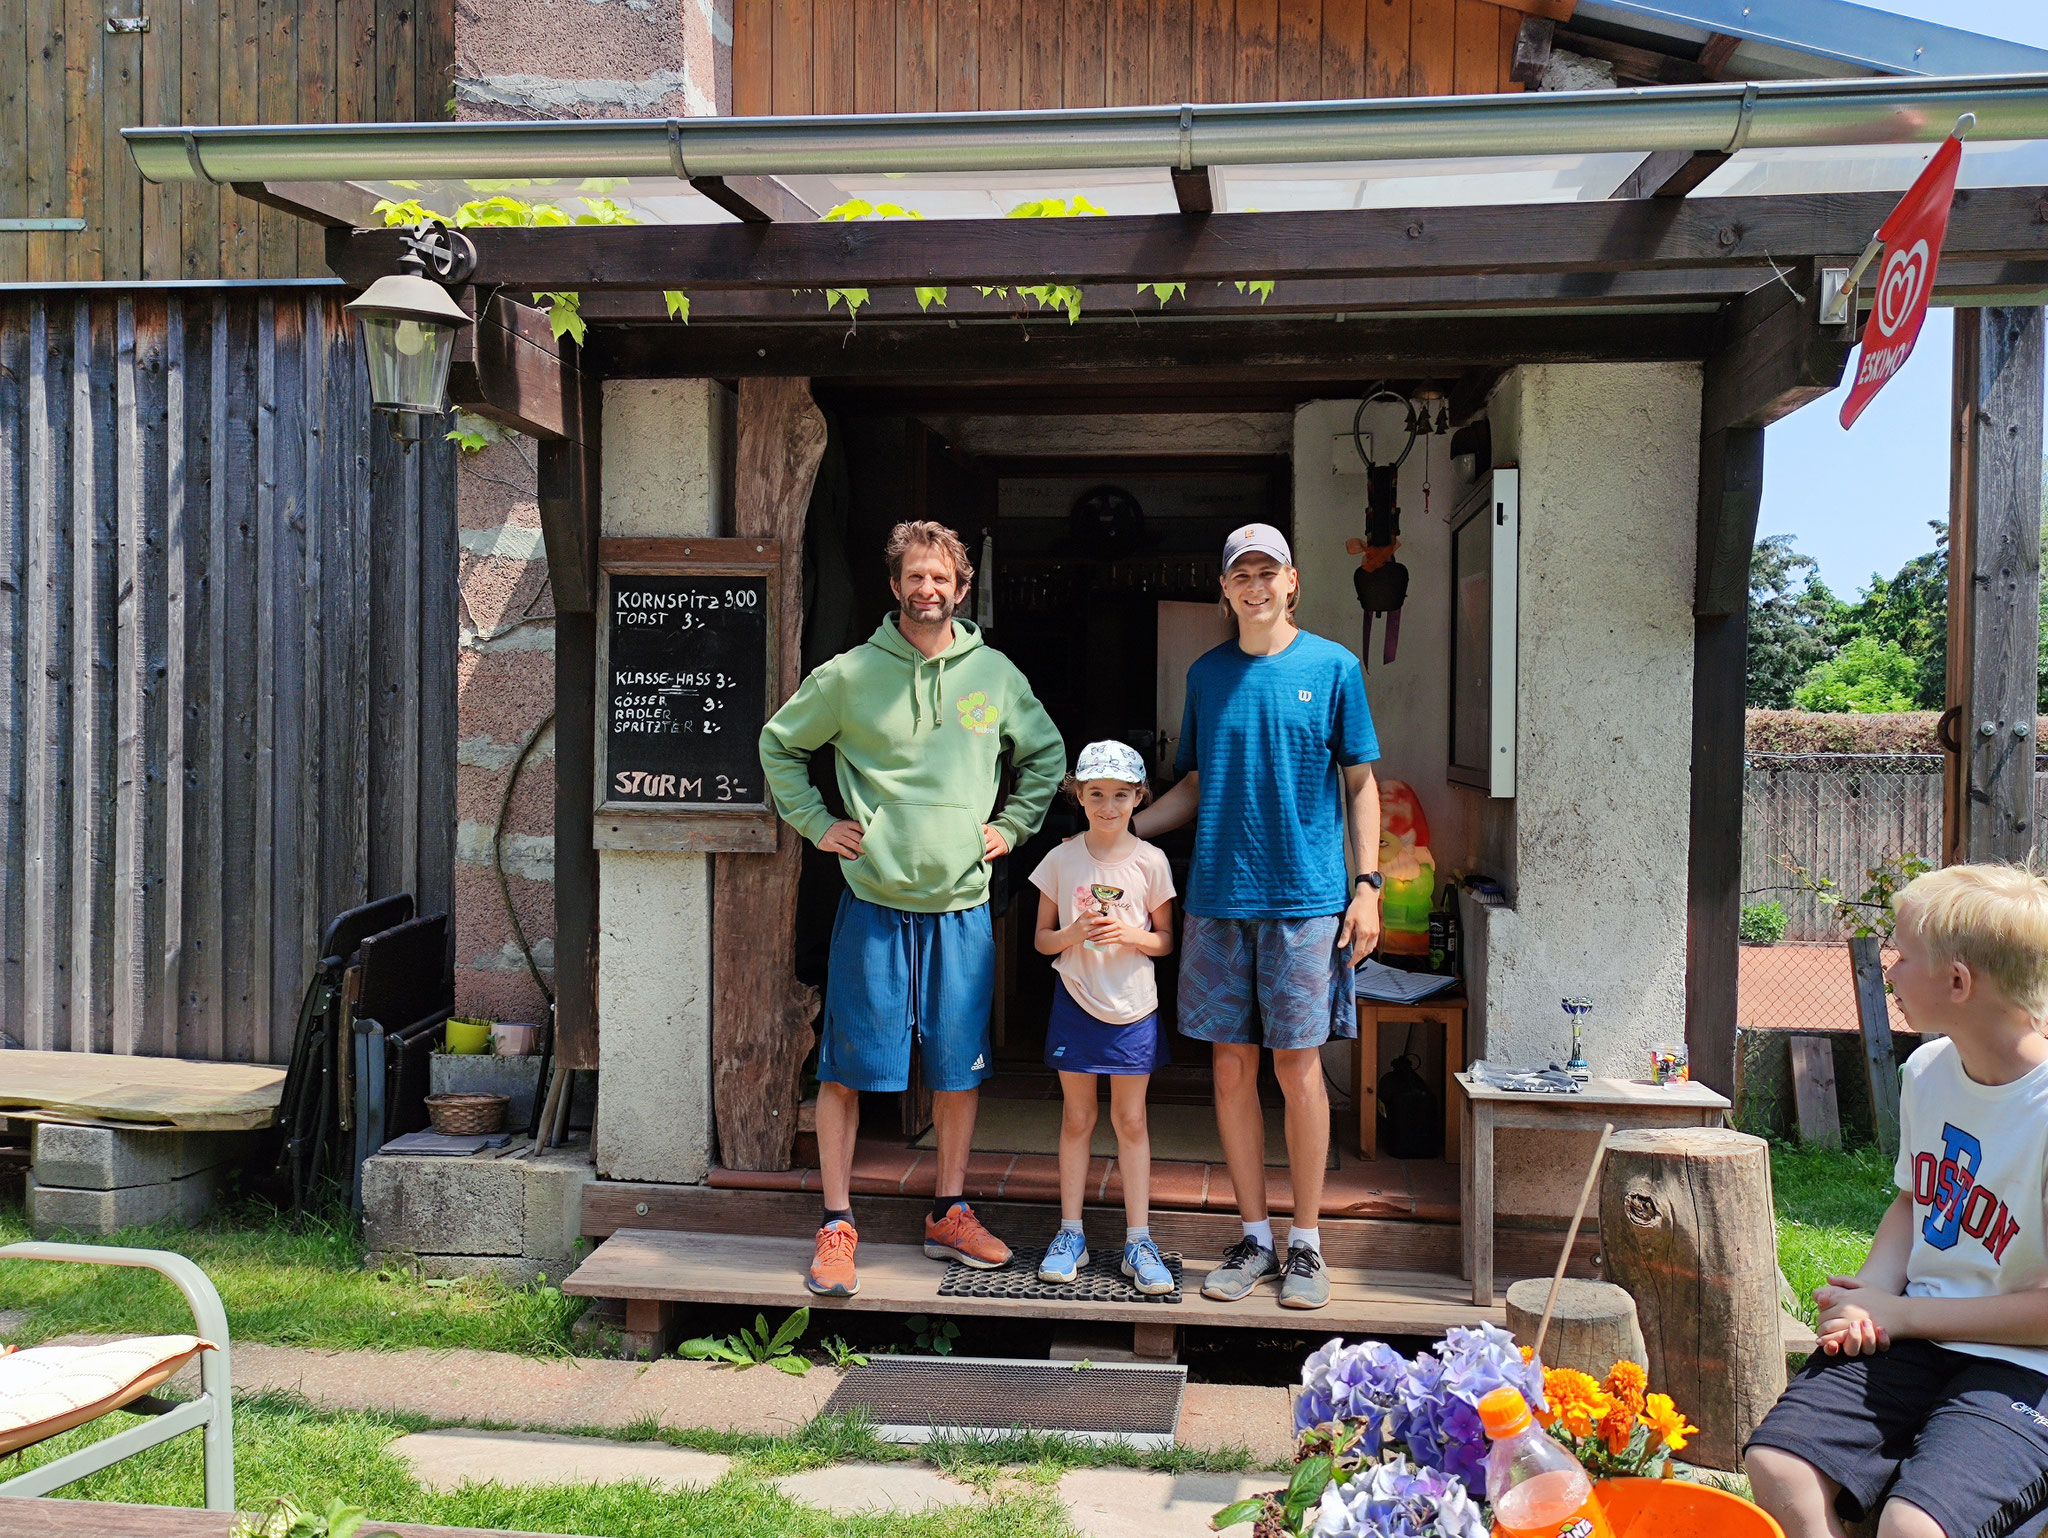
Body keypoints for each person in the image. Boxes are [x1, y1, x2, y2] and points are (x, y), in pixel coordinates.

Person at [759, 520, 1066, 1299]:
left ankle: (949, 1211)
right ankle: (836, 1221)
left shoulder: (992, 673)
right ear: (895, 586)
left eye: (942, 579)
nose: (928, 590)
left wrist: (1013, 825)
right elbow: (779, 745)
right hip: (873, 899)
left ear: (961, 589)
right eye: (915, 577)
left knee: (958, 1070)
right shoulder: (851, 675)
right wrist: (818, 824)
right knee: (847, 1069)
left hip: (962, 901)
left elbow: (1046, 756)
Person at [1746, 863, 2048, 1538]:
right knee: (1778, 1467)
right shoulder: (1927, 1072)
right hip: (1917, 1332)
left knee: (1913, 1526)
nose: (1889, 972)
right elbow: (1917, 1203)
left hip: (2027, 1365)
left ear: (1959, 983)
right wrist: (1869, 1301)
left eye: (1902, 956)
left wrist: (1901, 1313)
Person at [1133, 523, 1382, 1311]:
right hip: (1217, 899)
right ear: (1226, 588)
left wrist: (1367, 885)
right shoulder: (1207, 676)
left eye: (1267, 572)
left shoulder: (1334, 666)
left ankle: (1306, 1242)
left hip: (1307, 901)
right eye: (1241, 573)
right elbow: (1200, 784)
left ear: (1292, 581)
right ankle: (1254, 1235)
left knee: (1297, 1067)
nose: (1255, 585)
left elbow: (1362, 784)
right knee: (1231, 1067)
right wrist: (1122, 830)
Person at [1029, 740, 1178, 1295]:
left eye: (1120, 794)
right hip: (1076, 998)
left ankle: (1138, 1239)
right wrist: (1072, 934)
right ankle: (1071, 1232)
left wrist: (1131, 934)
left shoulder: (1151, 861)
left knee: (1132, 1121)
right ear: (1079, 796)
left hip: (1134, 1006)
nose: (1108, 806)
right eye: (1096, 794)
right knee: (1076, 1118)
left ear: (1139, 797)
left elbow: (1165, 941)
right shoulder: (1063, 858)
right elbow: (1042, 939)